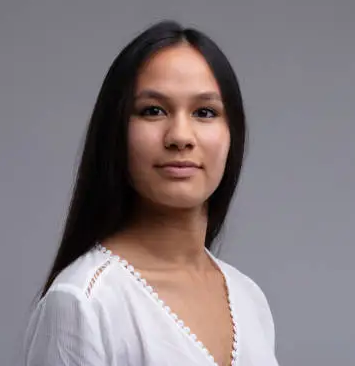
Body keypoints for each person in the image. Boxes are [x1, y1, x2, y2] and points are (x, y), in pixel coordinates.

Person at [22, 20, 279, 366]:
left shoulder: (249, 300)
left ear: (232, 133)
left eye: (205, 112)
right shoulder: (84, 302)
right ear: (115, 131)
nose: (180, 136)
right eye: (153, 111)